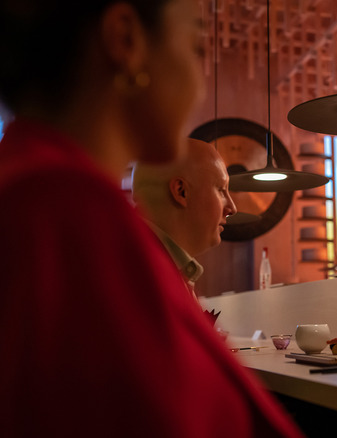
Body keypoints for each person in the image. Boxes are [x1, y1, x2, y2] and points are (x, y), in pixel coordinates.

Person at [0, 1, 301, 437]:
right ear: (126, 40)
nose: (200, 84)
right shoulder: (61, 213)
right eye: (196, 45)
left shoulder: (46, 192)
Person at [132, 138, 237, 296]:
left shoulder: (154, 268)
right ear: (181, 191)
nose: (232, 208)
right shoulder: (139, 277)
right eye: (221, 190)